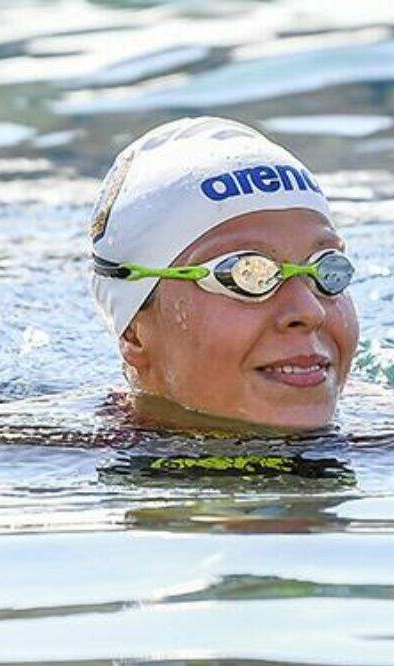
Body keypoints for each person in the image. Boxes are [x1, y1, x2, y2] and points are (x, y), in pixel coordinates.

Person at [88, 116, 360, 432]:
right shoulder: (51, 460)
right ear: (133, 332)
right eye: (247, 274)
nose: (309, 311)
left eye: (325, 268)